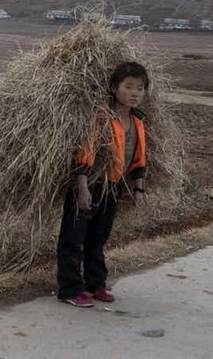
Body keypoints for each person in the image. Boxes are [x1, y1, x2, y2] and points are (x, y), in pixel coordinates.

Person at [57, 62, 149, 307]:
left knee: (98, 238)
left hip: (113, 187)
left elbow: (139, 158)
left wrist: (139, 188)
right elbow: (86, 152)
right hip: (90, 184)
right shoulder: (102, 117)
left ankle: (95, 283)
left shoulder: (138, 122)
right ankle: (69, 289)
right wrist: (82, 187)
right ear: (113, 88)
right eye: (128, 87)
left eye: (140, 88)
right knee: (73, 237)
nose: (135, 93)